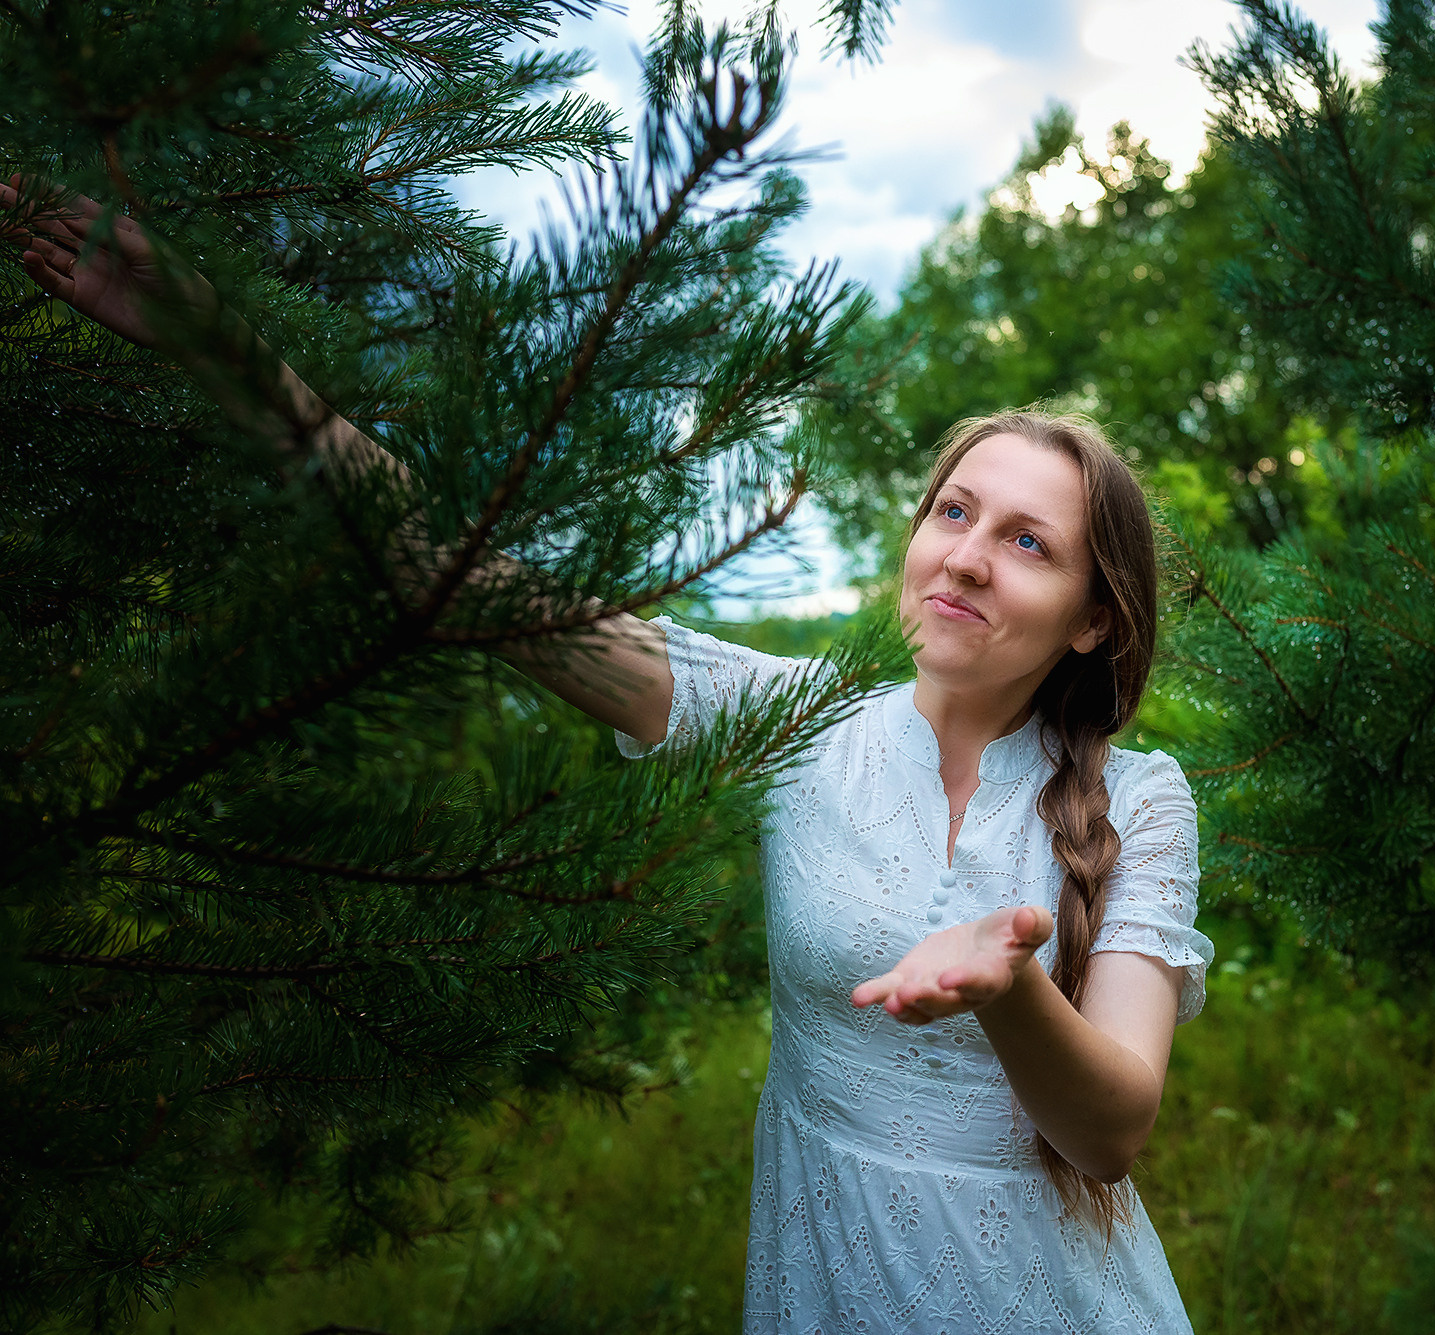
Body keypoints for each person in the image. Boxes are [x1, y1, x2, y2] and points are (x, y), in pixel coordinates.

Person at [7, 181, 1214, 1333]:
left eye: (1025, 543)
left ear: (1092, 618)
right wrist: (218, 348)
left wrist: (1007, 993)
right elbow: (460, 578)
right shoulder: (789, 722)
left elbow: (1111, 1132)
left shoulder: (1141, 800)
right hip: (829, 1289)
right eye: (951, 513)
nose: (964, 557)